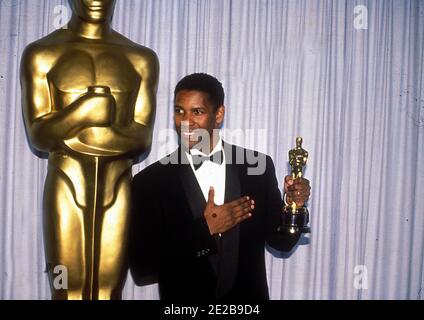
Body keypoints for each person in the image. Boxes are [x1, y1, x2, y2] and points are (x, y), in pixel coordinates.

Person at [20, 0, 159, 299]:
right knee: (63, 287)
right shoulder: (42, 54)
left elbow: (141, 139)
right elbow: (39, 135)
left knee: (110, 290)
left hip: (117, 186)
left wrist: (72, 134)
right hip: (65, 184)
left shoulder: (140, 59)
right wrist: (83, 112)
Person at [129, 73, 310, 300]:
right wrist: (205, 230)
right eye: (179, 111)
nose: (186, 122)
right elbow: (143, 266)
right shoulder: (150, 181)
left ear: (219, 113)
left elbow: (280, 241)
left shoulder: (257, 168)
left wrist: (295, 206)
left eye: (197, 111)